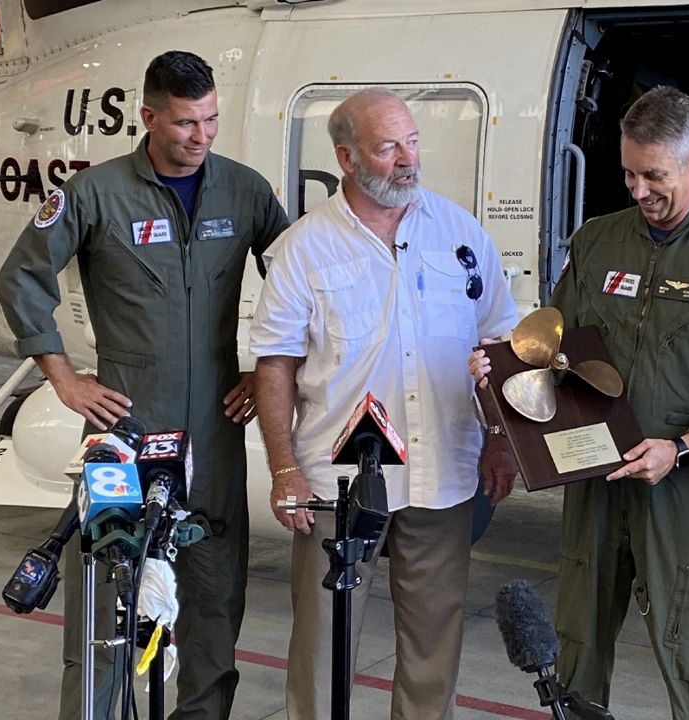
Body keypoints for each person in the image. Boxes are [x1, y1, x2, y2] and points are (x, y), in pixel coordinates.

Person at [471, 85, 689, 719]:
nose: (638, 191)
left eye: (654, 175)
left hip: (682, 484)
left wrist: (684, 448)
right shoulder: (596, 243)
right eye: (629, 173)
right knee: (577, 637)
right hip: (594, 473)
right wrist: (500, 369)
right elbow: (555, 345)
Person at [0, 50, 289, 719]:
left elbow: (298, 279)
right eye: (186, 123)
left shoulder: (245, 191)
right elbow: (22, 279)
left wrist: (263, 368)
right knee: (105, 596)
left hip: (214, 428)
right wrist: (62, 376)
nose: (202, 135)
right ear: (149, 116)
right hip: (121, 432)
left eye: (211, 120)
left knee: (214, 593)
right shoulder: (93, 194)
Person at [249, 87, 519, 720]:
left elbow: (499, 341)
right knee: (323, 640)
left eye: (413, 141)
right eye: (389, 146)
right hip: (340, 482)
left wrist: (503, 440)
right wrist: (284, 468)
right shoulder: (304, 248)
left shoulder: (460, 232)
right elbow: (276, 365)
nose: (407, 159)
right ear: (346, 157)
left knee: (434, 642)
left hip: (445, 471)